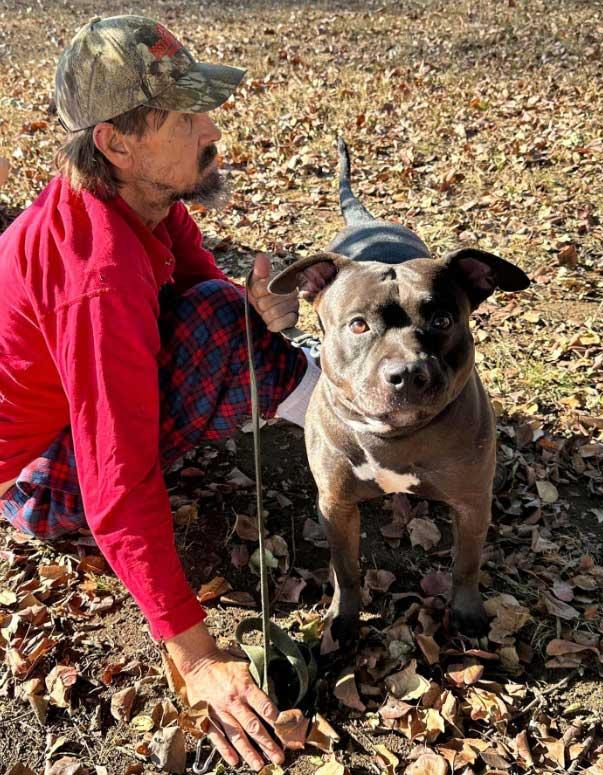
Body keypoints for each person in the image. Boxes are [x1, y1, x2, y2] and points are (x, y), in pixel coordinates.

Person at [0, 15, 329, 771]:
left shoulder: (144, 202)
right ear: (117, 144)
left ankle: (332, 411)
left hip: (57, 429)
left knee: (223, 317)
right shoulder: (101, 277)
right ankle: (352, 425)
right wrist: (198, 652)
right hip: (36, 480)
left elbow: (201, 287)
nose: (211, 127)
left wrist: (256, 310)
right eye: (185, 116)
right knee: (218, 328)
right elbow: (117, 488)